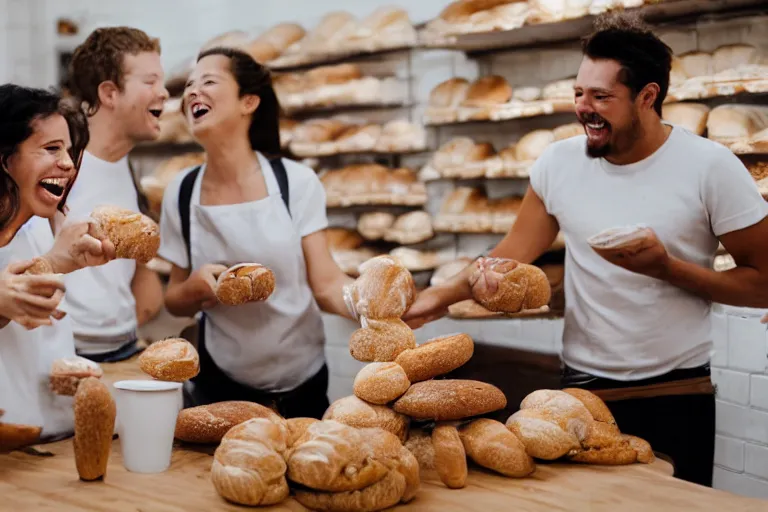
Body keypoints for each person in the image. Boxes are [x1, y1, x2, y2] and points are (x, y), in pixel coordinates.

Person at [404, 13, 768, 488]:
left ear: (648, 96)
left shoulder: (710, 167)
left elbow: (762, 284)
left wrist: (667, 268)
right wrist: (440, 296)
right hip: (578, 394)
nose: (584, 108)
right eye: (579, 93)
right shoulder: (559, 164)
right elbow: (513, 252)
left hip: (677, 391)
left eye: (602, 97)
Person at [158, 47, 354, 419]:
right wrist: (196, 288)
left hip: (303, 382)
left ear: (248, 101)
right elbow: (174, 299)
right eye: (189, 85)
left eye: (209, 82)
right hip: (220, 383)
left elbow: (326, 284)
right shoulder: (180, 193)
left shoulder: (295, 182)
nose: (192, 93)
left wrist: (372, 306)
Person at [0, 84, 115, 447]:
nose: (67, 163)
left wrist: (60, 263)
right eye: (51, 148)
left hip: (54, 443)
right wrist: (53, 263)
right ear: (5, 158)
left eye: (67, 149)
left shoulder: (33, 231)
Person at [57, 26, 168, 363]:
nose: (163, 93)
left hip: (122, 348)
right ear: (109, 93)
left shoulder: (127, 170)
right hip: (65, 352)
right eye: (150, 82)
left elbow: (137, 276)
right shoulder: (60, 164)